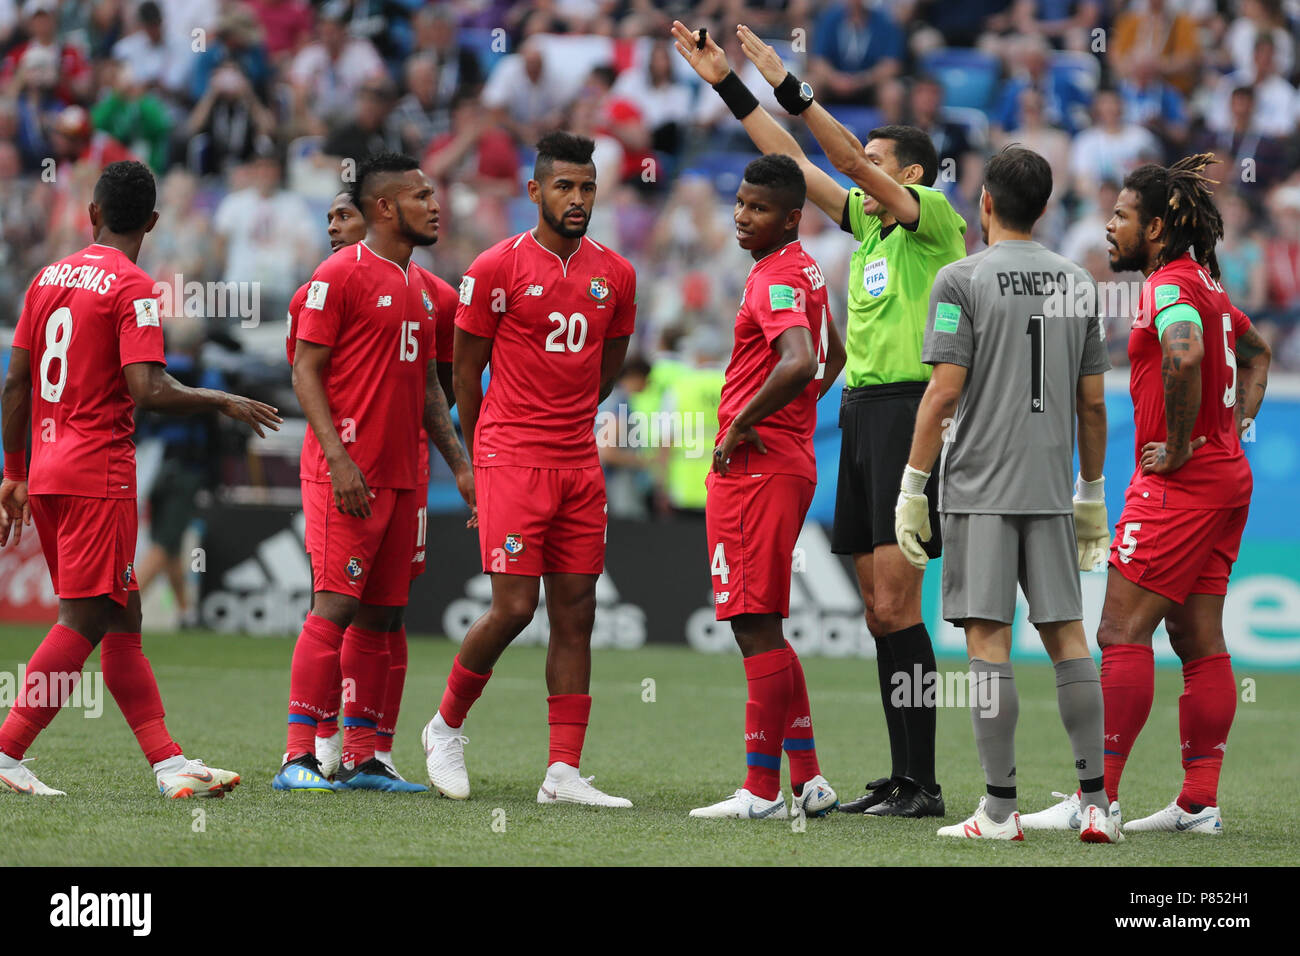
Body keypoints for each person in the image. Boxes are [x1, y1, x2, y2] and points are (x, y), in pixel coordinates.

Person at [672, 20, 967, 817]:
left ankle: (924, 782)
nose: (859, 166)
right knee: (878, 613)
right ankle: (901, 778)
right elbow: (799, 166)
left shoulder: (927, 216)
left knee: (900, 607)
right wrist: (729, 84)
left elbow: (832, 156)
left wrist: (793, 82)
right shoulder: (868, 226)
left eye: (875, 159)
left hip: (913, 411)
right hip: (862, 412)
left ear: (906, 172)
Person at [0, 160, 282, 797]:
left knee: (121, 614)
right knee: (84, 619)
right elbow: (147, 388)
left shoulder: (47, 277)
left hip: (44, 471)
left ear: (92, 213)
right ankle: (7, 747)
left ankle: (168, 763)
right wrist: (220, 399)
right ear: (152, 222)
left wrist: (12, 473)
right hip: (98, 473)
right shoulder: (133, 287)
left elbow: (15, 382)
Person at [1025, 154, 1272, 835]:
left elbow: (1185, 355)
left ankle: (1096, 798)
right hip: (1227, 482)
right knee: (1198, 639)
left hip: (1181, 484)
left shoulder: (1167, 289)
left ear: (1157, 227)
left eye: (1121, 217)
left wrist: (1188, 442)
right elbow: (1257, 355)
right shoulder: (1211, 288)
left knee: (1118, 632)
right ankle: (1198, 802)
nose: (1108, 228)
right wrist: (1234, 424)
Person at [895, 146, 1119, 842]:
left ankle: (999, 809)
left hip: (978, 487)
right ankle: (1097, 804)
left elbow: (943, 393)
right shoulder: (1078, 283)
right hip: (1050, 487)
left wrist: (911, 486)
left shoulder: (959, 280)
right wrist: (1090, 494)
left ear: (984, 203)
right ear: (1045, 208)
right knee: (1067, 636)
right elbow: (1092, 406)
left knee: (988, 640)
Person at [421, 131, 636, 808]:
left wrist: (568, 416)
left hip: (577, 460)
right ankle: (444, 727)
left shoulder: (617, 275)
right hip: (511, 456)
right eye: (565, 187)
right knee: (514, 607)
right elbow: (463, 370)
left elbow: (610, 365)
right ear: (535, 190)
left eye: (588, 187)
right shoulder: (494, 268)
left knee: (577, 611)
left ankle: (562, 772)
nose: (578, 199)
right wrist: (485, 448)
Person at [274, 152, 474, 794]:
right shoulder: (339, 276)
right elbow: (305, 371)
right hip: (347, 472)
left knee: (386, 617)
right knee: (333, 607)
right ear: (386, 208)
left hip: (403, 477)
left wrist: (459, 466)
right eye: (421, 196)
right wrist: (338, 459)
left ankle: (365, 758)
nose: (435, 206)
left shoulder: (422, 288)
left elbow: (429, 393)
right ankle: (299, 757)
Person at [688, 153, 847, 821]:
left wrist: (746, 422)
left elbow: (803, 360)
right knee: (768, 628)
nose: (740, 216)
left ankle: (759, 791)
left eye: (756, 209)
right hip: (784, 461)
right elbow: (832, 355)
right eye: (739, 203)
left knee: (753, 626)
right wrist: (794, 418)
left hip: (758, 468)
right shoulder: (802, 270)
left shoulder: (774, 278)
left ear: (790, 217)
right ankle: (808, 779)